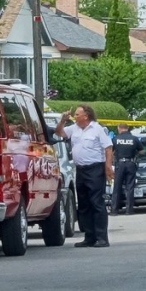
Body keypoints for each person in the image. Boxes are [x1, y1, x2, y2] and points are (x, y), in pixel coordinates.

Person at [54, 104, 114, 247]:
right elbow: (58, 133)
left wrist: (107, 167)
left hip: (95, 169)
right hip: (80, 169)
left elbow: (108, 148)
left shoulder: (97, 129)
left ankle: (102, 237)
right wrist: (62, 120)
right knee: (84, 204)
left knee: (96, 203)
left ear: (85, 116)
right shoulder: (73, 129)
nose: (74, 117)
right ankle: (89, 237)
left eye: (77, 115)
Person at [111, 122, 143, 215]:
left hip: (119, 164)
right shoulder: (134, 139)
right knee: (130, 187)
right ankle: (129, 210)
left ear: (119, 128)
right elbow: (142, 151)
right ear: (127, 128)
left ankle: (114, 210)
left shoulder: (115, 139)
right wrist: (135, 153)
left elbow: (111, 152)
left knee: (117, 187)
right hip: (130, 163)